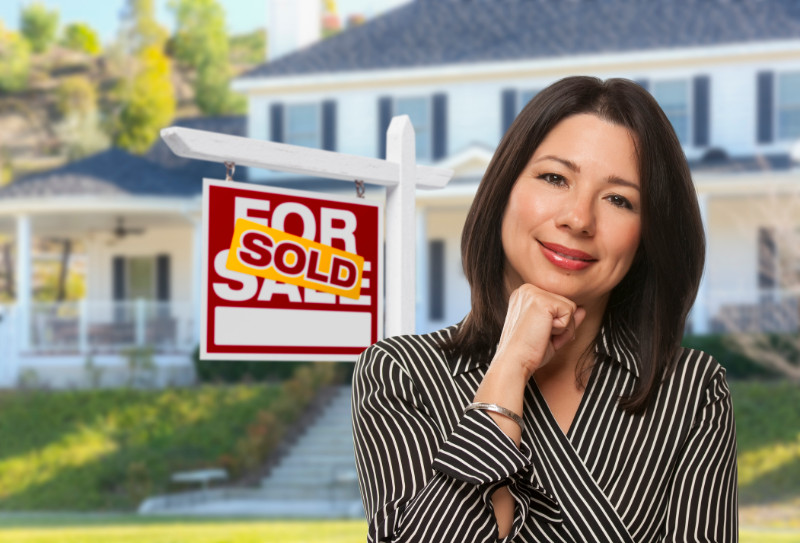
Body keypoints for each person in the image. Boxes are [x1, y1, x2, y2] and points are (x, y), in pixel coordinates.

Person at [351, 76, 738, 542]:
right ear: (504, 190)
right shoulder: (400, 373)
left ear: (647, 235)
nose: (578, 218)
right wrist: (510, 368)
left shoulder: (692, 392)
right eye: (555, 178)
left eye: (619, 199)